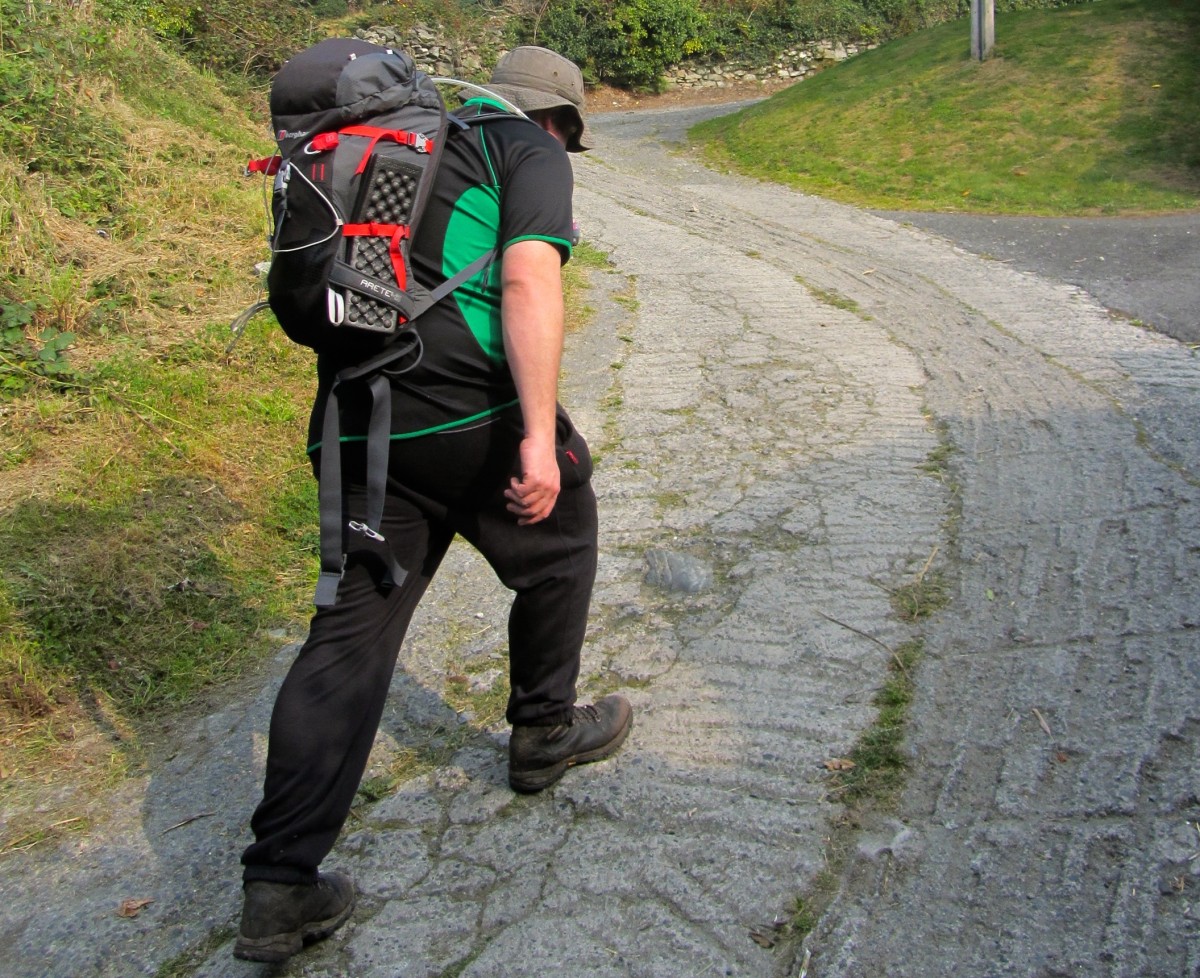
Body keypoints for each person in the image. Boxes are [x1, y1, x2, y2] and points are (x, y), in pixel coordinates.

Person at [233, 46, 633, 964]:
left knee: (346, 637)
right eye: (570, 139)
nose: (564, 154)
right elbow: (531, 279)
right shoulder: (519, 148)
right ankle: (542, 733)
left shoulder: (376, 150)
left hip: (358, 423)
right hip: (473, 414)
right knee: (562, 537)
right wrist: (539, 435)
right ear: (557, 121)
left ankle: (280, 886)